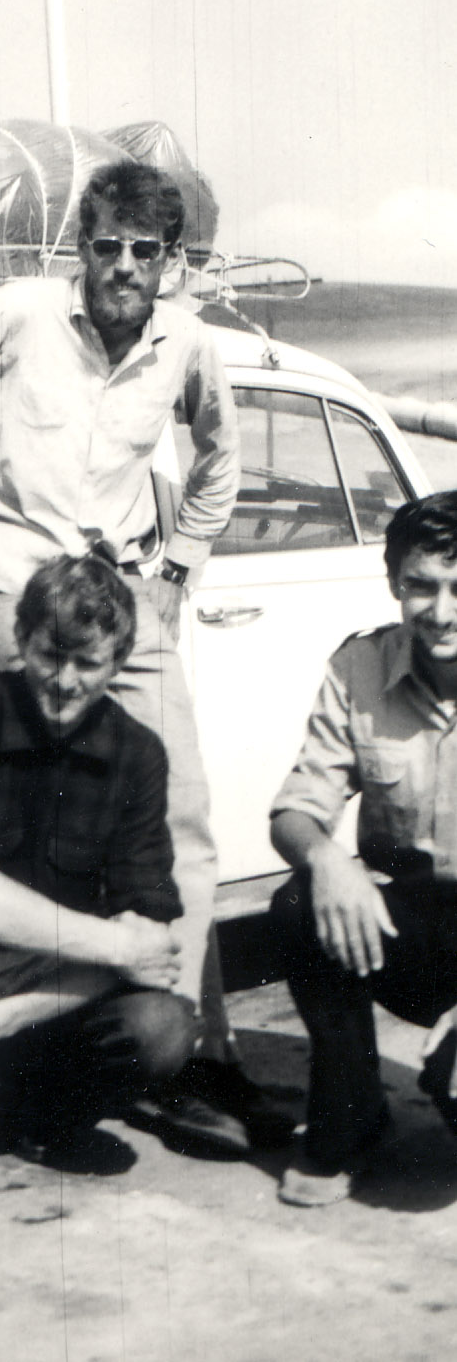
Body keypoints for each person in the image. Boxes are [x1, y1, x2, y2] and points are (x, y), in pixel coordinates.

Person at [0, 157, 289, 1154]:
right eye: (106, 246)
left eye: (144, 250)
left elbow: (222, 456)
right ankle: (30, 1054)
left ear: (171, 260)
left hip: (120, 595)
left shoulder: (186, 341)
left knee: (182, 814)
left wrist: (177, 567)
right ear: (79, 250)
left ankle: (194, 1048)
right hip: (15, 585)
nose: (123, 266)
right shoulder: (17, 315)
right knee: (50, 819)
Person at [0, 550, 195, 1164]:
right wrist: (113, 945)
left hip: (51, 992)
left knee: (163, 1027)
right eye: (50, 655)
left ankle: (24, 1111)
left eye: (88, 663)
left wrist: (1, 1022)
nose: (65, 681)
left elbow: (148, 940)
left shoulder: (138, 755)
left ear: (118, 662)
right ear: (20, 638)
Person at [270, 490, 457, 1206]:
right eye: (421, 586)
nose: (441, 611)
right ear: (393, 584)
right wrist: (327, 860)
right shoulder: (359, 667)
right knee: (299, 902)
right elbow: (295, 810)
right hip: (414, 924)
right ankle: (349, 1117)